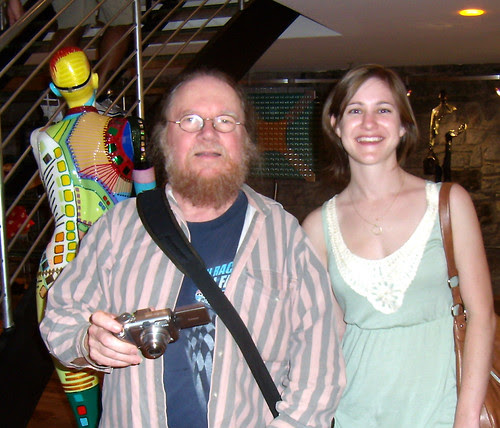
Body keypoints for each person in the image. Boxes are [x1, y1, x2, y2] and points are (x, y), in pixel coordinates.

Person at [39, 69, 346, 427]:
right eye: (190, 120)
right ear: (165, 139)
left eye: (225, 121)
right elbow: (59, 319)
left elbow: (321, 373)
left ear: (246, 141)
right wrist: (87, 341)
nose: (208, 133)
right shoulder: (117, 227)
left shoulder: (284, 236)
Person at [302, 64, 496, 428]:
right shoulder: (317, 228)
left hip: (443, 413)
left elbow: (482, 315)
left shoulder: (449, 204)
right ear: (336, 125)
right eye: (355, 110)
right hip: (354, 414)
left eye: (383, 109)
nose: (369, 123)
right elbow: (328, 336)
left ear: (404, 125)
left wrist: (467, 417)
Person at [31, 46, 155, 428]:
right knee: (134, 371)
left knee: (76, 378)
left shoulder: (40, 137)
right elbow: (149, 204)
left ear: (54, 89)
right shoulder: (129, 129)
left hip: (58, 266)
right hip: (118, 262)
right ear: (97, 81)